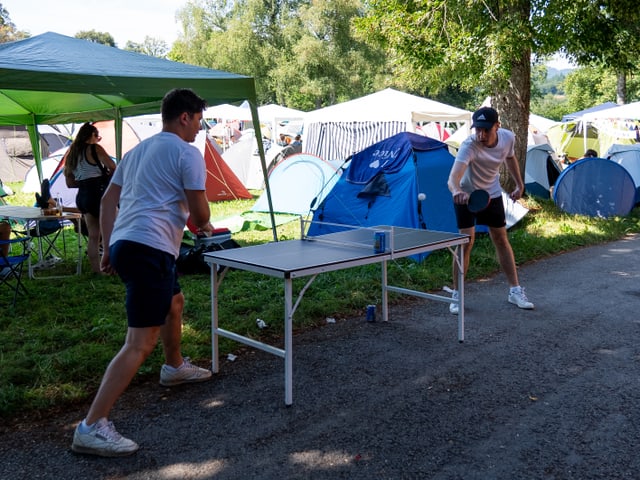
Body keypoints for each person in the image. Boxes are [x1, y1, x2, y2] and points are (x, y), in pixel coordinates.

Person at [71, 88, 215, 457]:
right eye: (198, 120)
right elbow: (200, 217)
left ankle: (174, 367)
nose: (200, 129)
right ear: (184, 117)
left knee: (175, 302)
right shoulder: (187, 153)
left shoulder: (135, 152)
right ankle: (91, 426)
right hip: (149, 247)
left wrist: (106, 246)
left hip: (129, 244)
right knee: (139, 342)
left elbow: (107, 201)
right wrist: (203, 224)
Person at [447, 106, 534, 314]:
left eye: (486, 129)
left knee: (501, 240)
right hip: (467, 197)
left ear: (497, 126)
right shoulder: (469, 146)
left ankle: (515, 291)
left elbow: (510, 157)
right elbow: (452, 178)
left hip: (492, 195)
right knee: (465, 244)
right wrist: (456, 190)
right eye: (477, 129)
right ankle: (457, 294)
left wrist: (519, 184)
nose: (481, 134)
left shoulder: (508, 138)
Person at [64, 123, 117, 273]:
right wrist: (108, 181)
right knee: (114, 229)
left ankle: (97, 270)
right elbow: (113, 167)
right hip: (98, 193)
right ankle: (112, 267)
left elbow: (70, 183)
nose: (98, 140)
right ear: (91, 135)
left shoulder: (72, 154)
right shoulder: (95, 149)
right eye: (97, 136)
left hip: (82, 196)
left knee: (94, 236)